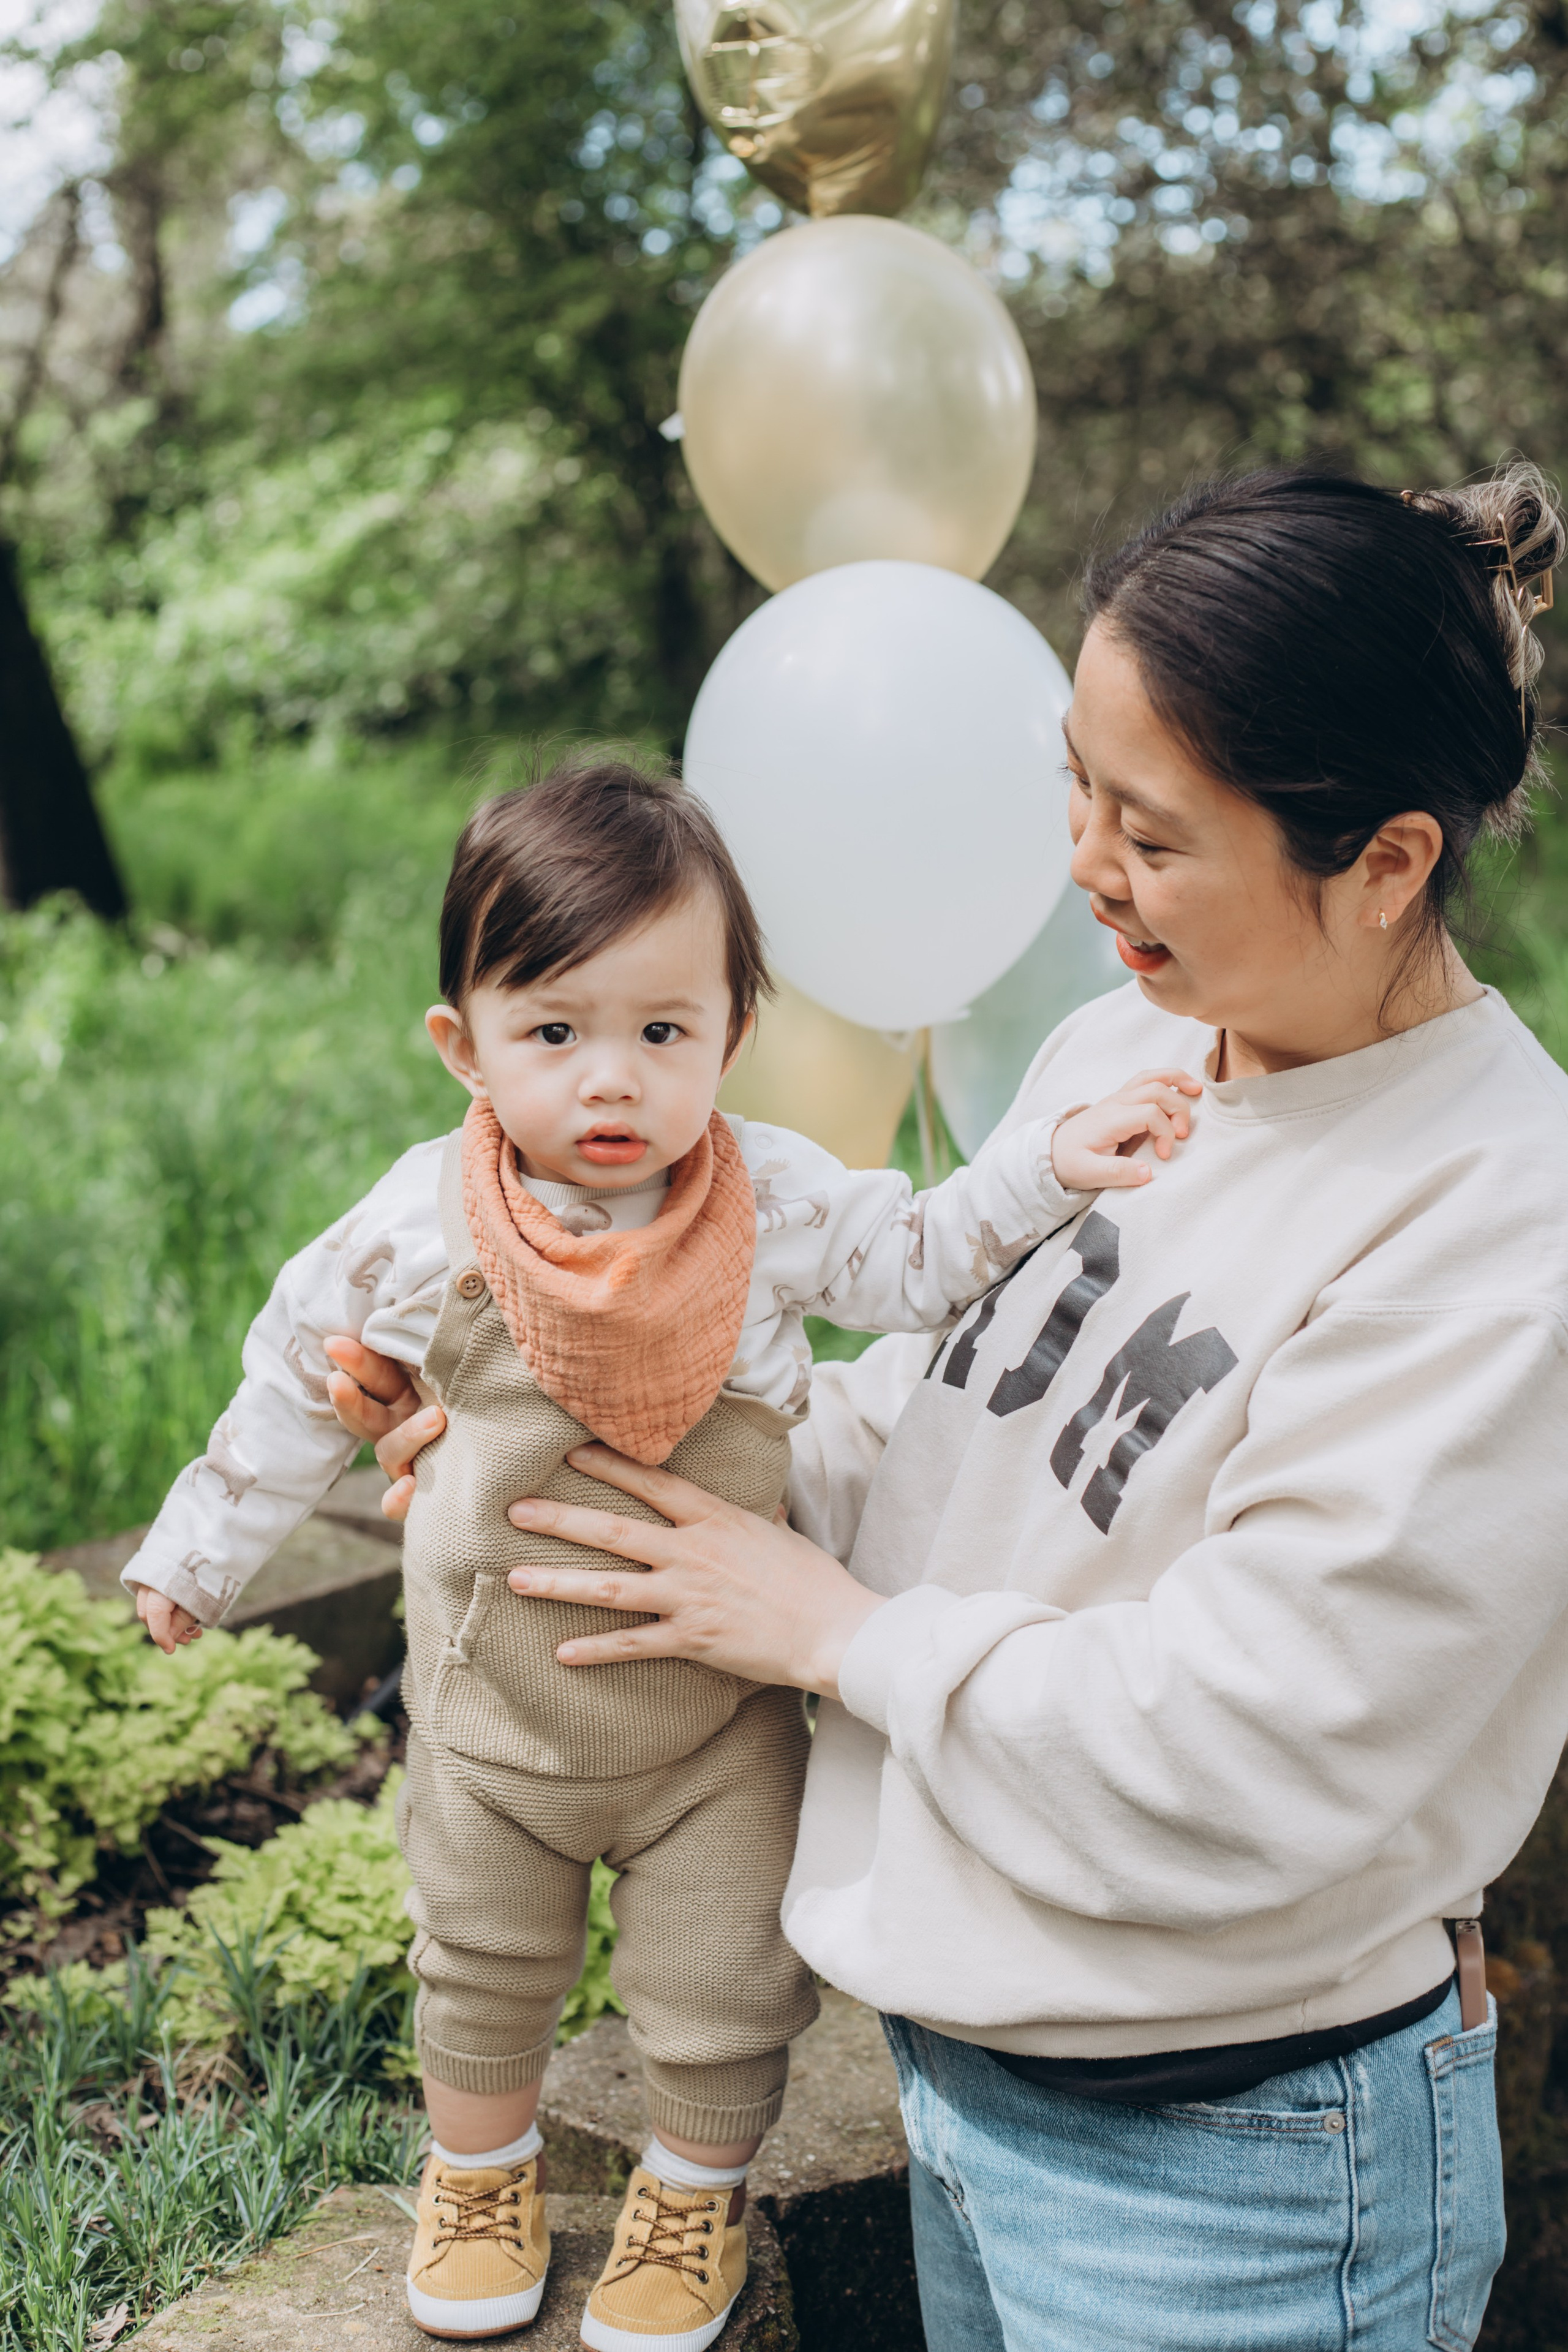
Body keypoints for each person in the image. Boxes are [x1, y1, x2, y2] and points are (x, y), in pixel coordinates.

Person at [339, 462, 1568, 2352]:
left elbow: (1264, 1741)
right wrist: (611, 1445)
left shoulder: (1495, 1226)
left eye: (1150, 833)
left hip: (1235, 2159)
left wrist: (837, 1636)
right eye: (1075, 786)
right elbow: (935, 1416)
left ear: (1386, 860)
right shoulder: (1129, 1047)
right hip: (973, 2088)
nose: (1082, 864)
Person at [122, 755, 1186, 2350]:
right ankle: (476, 2170)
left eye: (662, 1032)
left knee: (721, 1981)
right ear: (462, 1046)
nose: (610, 1080)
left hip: (710, 1720)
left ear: (730, 1038)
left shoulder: (770, 1199)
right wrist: (197, 1555)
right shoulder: (425, 1221)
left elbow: (916, 1257)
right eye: (554, 1032)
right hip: (497, 1711)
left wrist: (1043, 1168)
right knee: (478, 1957)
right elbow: (295, 1369)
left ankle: (695, 2196)